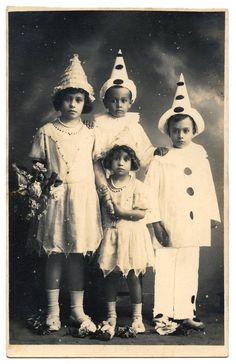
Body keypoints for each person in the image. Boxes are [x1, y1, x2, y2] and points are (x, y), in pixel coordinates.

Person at [28, 54, 102, 334]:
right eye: (69, 99)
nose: (73, 105)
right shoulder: (47, 131)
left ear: (86, 103)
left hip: (82, 199)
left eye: (79, 100)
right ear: (60, 100)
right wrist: (38, 186)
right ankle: (51, 311)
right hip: (56, 199)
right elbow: (37, 165)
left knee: (76, 256)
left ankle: (76, 310)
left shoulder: (90, 134)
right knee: (55, 254)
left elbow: (94, 166)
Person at [145, 74, 221, 335]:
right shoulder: (161, 158)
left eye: (185, 130)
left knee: (190, 266)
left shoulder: (199, 154)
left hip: (194, 221)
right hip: (168, 221)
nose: (180, 135)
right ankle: (163, 313)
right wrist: (155, 222)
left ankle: (185, 312)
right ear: (168, 131)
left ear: (193, 131)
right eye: (175, 130)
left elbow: (208, 185)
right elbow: (149, 192)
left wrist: (212, 214)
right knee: (167, 266)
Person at [93, 49, 167, 213]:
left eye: (123, 101)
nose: (119, 105)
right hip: (105, 179)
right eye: (114, 100)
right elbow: (95, 154)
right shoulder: (99, 125)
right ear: (105, 103)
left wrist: (155, 152)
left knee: (126, 211)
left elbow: (144, 150)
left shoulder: (134, 126)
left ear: (130, 103)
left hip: (126, 178)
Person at [96, 145, 154, 339]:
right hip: (111, 235)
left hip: (131, 236)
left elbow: (140, 213)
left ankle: (137, 317)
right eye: (116, 159)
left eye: (126, 159)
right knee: (110, 276)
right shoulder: (104, 186)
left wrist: (121, 213)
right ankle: (111, 315)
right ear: (109, 163)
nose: (121, 163)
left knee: (133, 276)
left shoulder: (137, 185)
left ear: (132, 163)